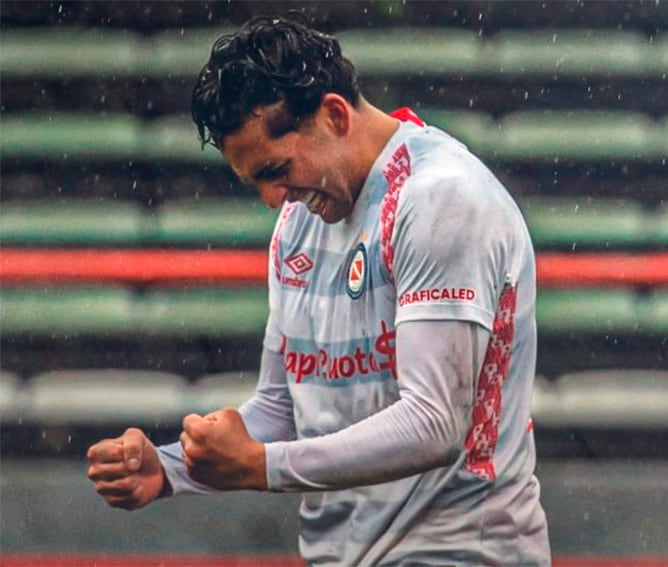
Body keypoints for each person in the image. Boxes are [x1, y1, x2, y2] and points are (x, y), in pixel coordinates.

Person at [86, 14, 550, 566]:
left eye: (276, 169)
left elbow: (434, 423)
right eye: (257, 182)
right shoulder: (299, 221)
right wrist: (170, 468)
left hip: (460, 552)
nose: (272, 199)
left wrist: (262, 467)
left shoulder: (441, 199)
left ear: (334, 115)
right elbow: (282, 409)